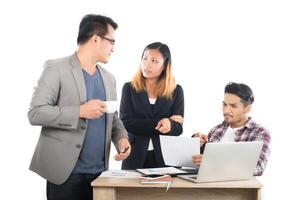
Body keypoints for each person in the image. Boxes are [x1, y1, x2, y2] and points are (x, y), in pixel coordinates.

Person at [28, 14, 131, 200]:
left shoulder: (109, 78)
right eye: (111, 41)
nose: (114, 48)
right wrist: (80, 111)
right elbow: (35, 113)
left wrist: (121, 139)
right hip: (65, 175)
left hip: (100, 175)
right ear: (95, 39)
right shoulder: (56, 68)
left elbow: (113, 117)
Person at [120, 42, 184, 169]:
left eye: (154, 61)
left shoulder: (176, 90)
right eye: (145, 58)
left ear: (165, 65)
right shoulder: (129, 88)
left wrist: (171, 125)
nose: (147, 64)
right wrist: (165, 122)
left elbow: (178, 129)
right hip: (134, 155)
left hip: (165, 158)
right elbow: (126, 123)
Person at [192, 82, 271, 176]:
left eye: (233, 106)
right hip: (207, 185)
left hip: (238, 189)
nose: (226, 110)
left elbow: (258, 168)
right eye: (225, 104)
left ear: (247, 109)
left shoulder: (260, 132)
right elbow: (201, 161)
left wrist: (215, 163)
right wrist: (196, 142)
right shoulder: (217, 129)